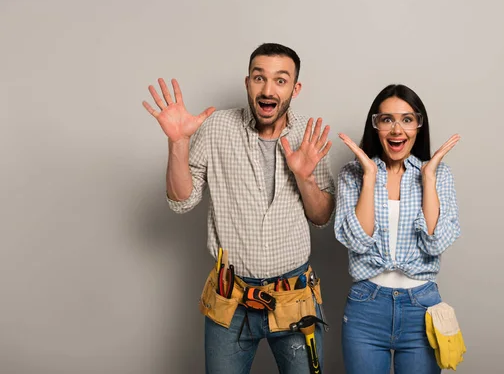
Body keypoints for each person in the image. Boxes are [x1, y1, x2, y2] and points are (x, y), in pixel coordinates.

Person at [142, 43, 335, 374]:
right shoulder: (217, 127)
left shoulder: (308, 134)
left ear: (295, 88)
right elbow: (181, 200)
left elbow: (321, 217)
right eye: (259, 78)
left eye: (280, 80)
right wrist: (178, 142)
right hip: (230, 300)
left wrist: (304, 179)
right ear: (248, 83)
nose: (268, 89)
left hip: (293, 297)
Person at [334, 84, 461, 374]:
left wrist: (427, 179)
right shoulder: (352, 175)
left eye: (407, 119)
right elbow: (358, 241)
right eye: (387, 119)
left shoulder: (439, 175)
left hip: (423, 309)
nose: (396, 130)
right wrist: (369, 178)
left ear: (418, 125)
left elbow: (435, 243)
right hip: (366, 308)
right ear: (375, 125)